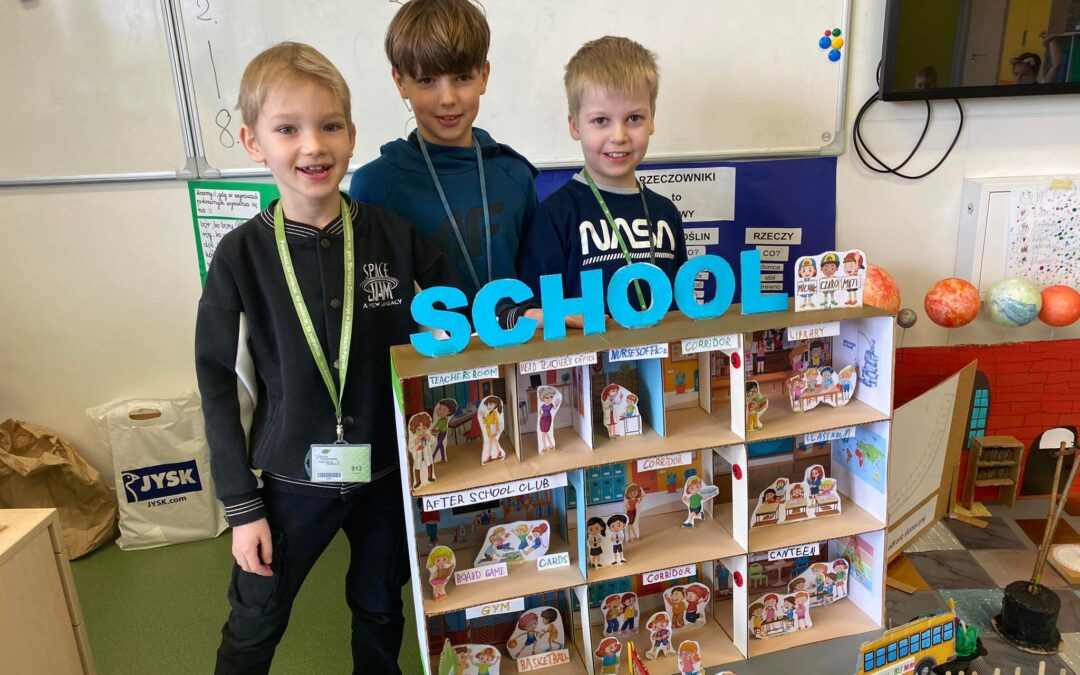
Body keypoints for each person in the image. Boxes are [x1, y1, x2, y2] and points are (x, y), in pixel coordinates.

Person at [195, 42, 458, 674]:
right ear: (253, 142)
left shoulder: (392, 235)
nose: (313, 146)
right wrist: (241, 506)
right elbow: (218, 384)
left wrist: (525, 314)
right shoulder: (240, 256)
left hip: (385, 471)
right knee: (256, 615)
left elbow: (465, 306)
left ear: (352, 135)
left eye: (330, 126)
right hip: (290, 480)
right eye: (288, 129)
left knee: (380, 606)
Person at [349, 0, 538, 301]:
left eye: (462, 78)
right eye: (427, 80)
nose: (447, 98)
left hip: (516, 332)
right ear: (400, 82)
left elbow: (537, 283)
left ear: (484, 76)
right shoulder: (375, 186)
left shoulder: (515, 175)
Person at [498, 36, 687, 330]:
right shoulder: (554, 216)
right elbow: (528, 309)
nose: (619, 136)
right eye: (601, 121)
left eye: (634, 118)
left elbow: (681, 313)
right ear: (575, 125)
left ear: (652, 120)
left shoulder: (666, 213)